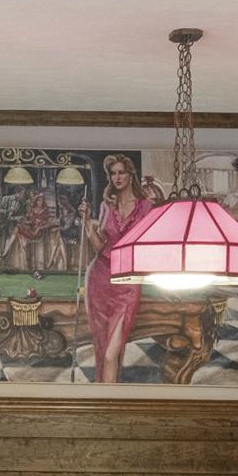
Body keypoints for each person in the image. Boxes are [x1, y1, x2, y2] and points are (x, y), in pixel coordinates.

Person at [82, 152, 158, 382]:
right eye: (113, 173)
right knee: (102, 347)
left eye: (121, 172)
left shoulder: (147, 207)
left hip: (128, 284)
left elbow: (149, 247)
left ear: (130, 174)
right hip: (99, 279)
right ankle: (106, 397)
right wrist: (86, 221)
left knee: (111, 352)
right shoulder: (107, 206)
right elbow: (99, 246)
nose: (117, 177)